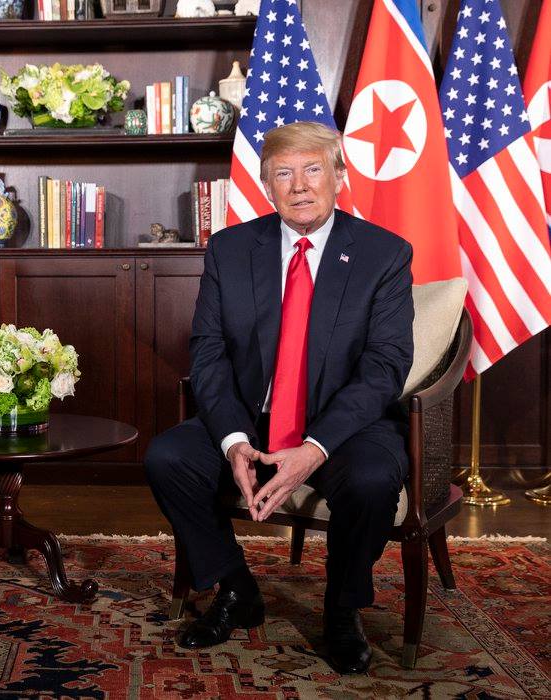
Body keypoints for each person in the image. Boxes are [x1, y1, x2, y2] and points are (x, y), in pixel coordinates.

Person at [145, 121, 413, 674]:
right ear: (266, 187)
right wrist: (235, 441)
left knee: (370, 479)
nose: (300, 186)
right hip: (252, 417)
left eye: (313, 170)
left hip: (346, 428)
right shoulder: (230, 249)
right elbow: (209, 353)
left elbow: (385, 367)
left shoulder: (383, 255)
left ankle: (342, 607)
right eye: (283, 174)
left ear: (339, 176)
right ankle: (236, 587)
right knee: (168, 458)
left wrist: (315, 446)